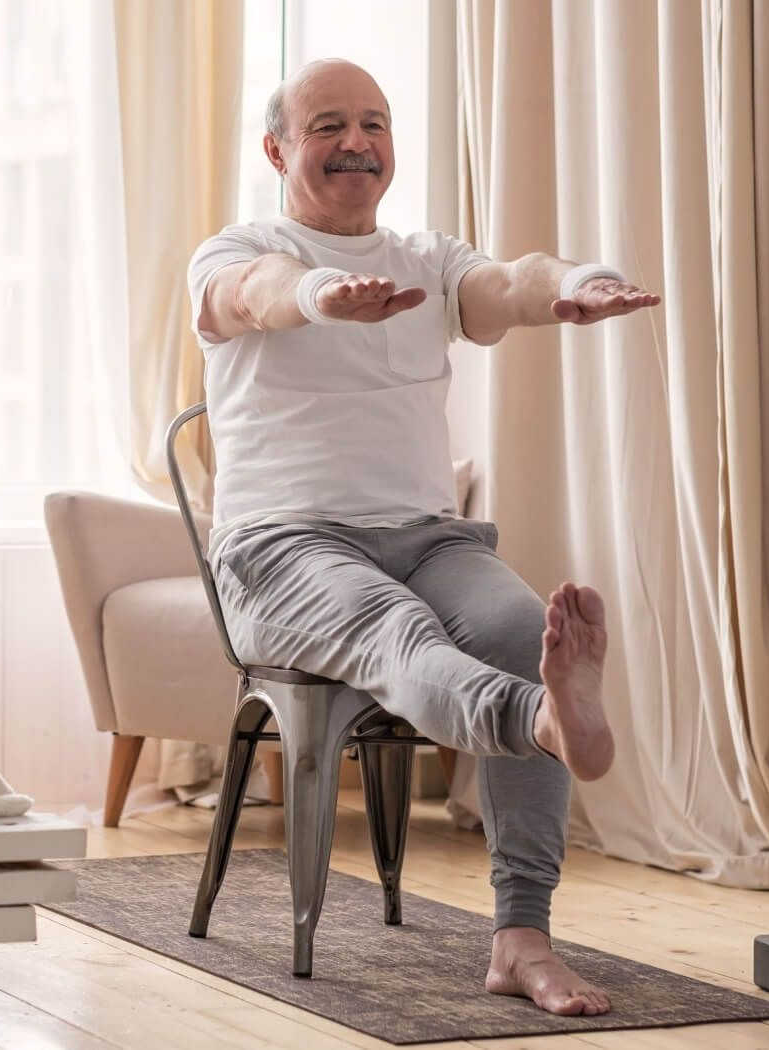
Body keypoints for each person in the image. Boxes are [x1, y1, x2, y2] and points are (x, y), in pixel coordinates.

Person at [188, 59, 660, 1017]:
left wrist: (575, 283)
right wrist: (323, 297)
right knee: (398, 636)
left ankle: (519, 939)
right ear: (278, 149)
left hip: (426, 538)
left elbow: (503, 284)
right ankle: (538, 720)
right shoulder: (236, 247)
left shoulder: (423, 256)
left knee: (526, 628)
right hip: (282, 550)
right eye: (328, 126)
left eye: (374, 123)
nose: (356, 142)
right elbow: (257, 293)